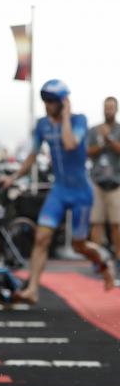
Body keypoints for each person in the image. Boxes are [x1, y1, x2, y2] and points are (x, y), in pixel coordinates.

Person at [1, 79, 115, 303]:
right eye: (45, 100)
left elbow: (71, 144)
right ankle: (32, 290)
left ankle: (104, 262)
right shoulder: (42, 125)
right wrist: (13, 177)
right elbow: (33, 155)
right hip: (60, 190)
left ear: (63, 102)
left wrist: (64, 118)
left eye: (52, 101)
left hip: (81, 191)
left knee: (79, 245)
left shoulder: (78, 120)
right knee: (42, 238)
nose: (47, 105)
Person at [87, 96, 120, 273]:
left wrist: (110, 140)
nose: (109, 111)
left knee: (117, 223)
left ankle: (119, 258)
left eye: (111, 108)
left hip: (116, 182)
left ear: (116, 109)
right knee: (96, 222)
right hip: (98, 182)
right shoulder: (94, 130)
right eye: (106, 108)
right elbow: (88, 151)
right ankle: (96, 258)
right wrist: (101, 143)